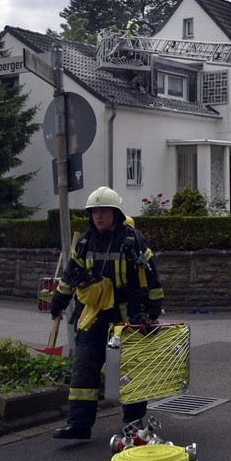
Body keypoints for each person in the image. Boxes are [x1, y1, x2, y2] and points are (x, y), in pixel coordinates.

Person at [49, 186, 165, 441]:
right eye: (94, 212)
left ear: (115, 213)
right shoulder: (84, 242)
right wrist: (59, 299)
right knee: (84, 365)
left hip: (128, 315)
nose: (98, 216)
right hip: (95, 313)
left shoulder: (133, 239)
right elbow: (70, 275)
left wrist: (153, 310)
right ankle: (79, 424)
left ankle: (134, 425)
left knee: (130, 368)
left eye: (103, 211)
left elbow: (152, 277)